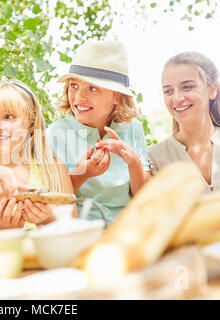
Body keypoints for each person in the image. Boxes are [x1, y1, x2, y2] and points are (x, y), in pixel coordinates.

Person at [46, 39, 151, 223]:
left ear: (117, 97)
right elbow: (56, 203)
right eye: (74, 86)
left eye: (92, 88)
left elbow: (144, 198)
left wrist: (133, 162)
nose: (79, 97)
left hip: (127, 230)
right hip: (82, 234)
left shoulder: (133, 128)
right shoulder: (55, 134)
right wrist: (82, 173)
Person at [147, 51, 220, 195]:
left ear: (212, 90)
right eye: (168, 91)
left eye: (187, 87)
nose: (177, 98)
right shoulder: (154, 158)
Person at [0, 80, 76, 231]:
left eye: (9, 116)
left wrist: (47, 219)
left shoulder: (53, 169)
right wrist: (1, 228)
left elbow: (74, 228)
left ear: (31, 123)